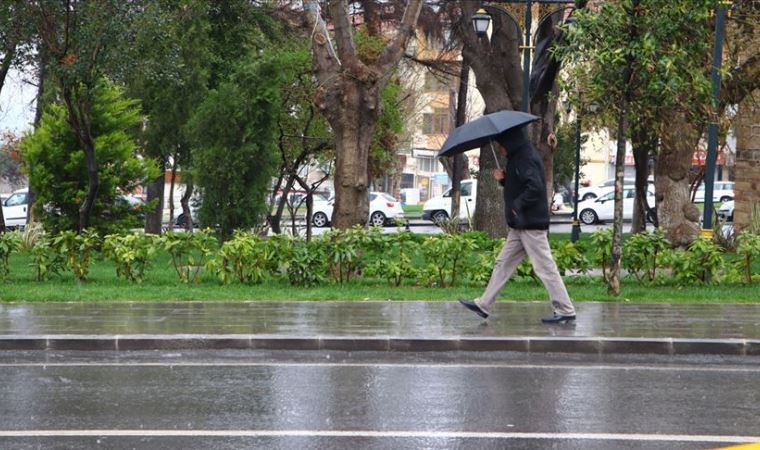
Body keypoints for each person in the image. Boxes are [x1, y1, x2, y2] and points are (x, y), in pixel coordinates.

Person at [458, 127, 576, 324]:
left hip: (530, 225)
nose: (500, 148)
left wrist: (517, 206)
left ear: (510, 142)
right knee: (503, 264)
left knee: (545, 268)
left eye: (501, 144)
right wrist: (504, 180)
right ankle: (484, 304)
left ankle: (565, 309)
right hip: (520, 225)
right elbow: (521, 184)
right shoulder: (518, 157)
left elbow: (535, 187)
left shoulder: (525, 158)